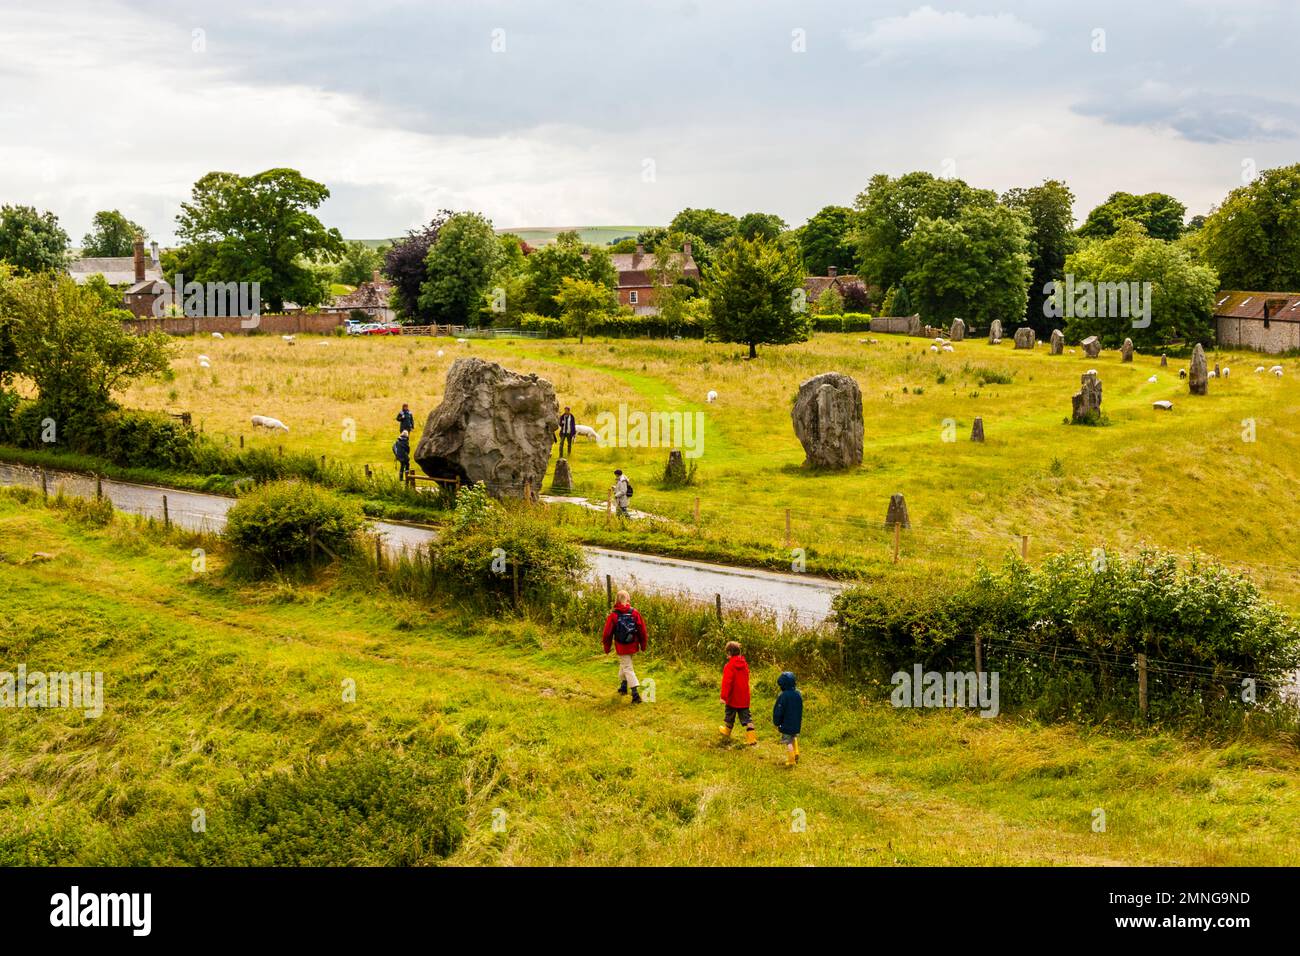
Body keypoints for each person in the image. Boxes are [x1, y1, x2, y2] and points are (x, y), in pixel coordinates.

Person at [601, 589, 647, 704]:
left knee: (627, 668)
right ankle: (623, 686)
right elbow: (642, 630)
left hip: (621, 646)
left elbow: (607, 634)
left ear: (617, 600)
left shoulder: (613, 615)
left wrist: (607, 647)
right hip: (633, 644)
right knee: (625, 664)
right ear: (628, 599)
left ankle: (636, 695)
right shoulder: (635, 613)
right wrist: (643, 644)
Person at [718, 641, 756, 745]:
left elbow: (727, 683)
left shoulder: (729, 666)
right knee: (747, 718)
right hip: (744, 697)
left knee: (730, 716)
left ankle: (726, 731)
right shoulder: (744, 664)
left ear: (729, 653)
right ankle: (751, 738)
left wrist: (723, 697)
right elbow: (747, 677)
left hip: (732, 698)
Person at [772, 671, 803, 766]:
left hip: (786, 723)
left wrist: (777, 722)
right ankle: (796, 752)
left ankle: (791, 760)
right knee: (794, 737)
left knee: (788, 741)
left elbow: (778, 711)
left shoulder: (783, 696)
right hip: (796, 722)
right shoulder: (798, 694)